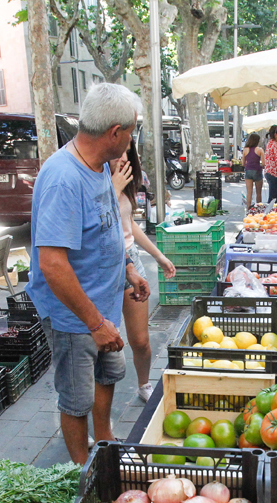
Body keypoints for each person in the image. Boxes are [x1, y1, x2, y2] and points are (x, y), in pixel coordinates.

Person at [27, 83, 150, 464]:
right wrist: (95, 323)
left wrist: (128, 268)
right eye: (131, 131)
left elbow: (105, 227)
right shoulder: (63, 178)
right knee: (76, 397)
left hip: (105, 304)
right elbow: (52, 263)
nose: (132, 139)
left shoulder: (97, 167)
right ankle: (82, 470)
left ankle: (106, 441)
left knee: (108, 375)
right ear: (115, 133)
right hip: (76, 318)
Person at [112, 140, 177, 400]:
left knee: (140, 339)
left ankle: (144, 385)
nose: (125, 157)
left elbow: (129, 224)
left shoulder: (123, 179)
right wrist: (112, 190)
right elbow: (98, 225)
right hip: (105, 265)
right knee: (106, 346)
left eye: (129, 151)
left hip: (131, 261)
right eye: (120, 150)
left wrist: (158, 255)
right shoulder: (95, 179)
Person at [243, 132, 264, 208]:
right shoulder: (260, 150)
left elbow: (243, 163)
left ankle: (248, 208)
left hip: (248, 171)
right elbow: (263, 163)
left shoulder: (245, 150)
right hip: (257, 171)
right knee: (259, 192)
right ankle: (259, 208)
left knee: (249, 192)